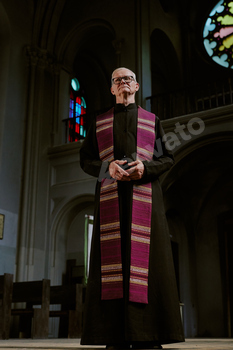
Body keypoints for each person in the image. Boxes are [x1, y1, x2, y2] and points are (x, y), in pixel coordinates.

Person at [80, 67, 184, 349]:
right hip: (110, 199)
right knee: (113, 262)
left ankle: (149, 335)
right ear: (112, 89)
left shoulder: (153, 121)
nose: (123, 82)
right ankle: (113, 335)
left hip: (146, 199)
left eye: (128, 79)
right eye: (117, 80)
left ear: (136, 86)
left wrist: (145, 167)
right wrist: (107, 167)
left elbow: (168, 158)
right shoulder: (99, 122)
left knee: (148, 263)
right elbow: (85, 160)